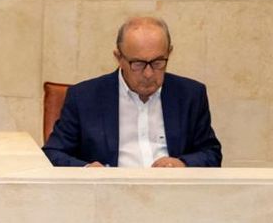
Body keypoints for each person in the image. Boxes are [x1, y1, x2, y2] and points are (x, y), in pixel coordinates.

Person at [42, 16, 222, 168]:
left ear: (170, 53)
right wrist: (87, 169)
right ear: (119, 58)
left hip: (171, 192)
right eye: (138, 64)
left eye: (158, 62)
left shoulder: (190, 95)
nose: (148, 73)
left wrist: (182, 163)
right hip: (110, 194)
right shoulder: (84, 97)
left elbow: (211, 153)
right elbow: (52, 153)